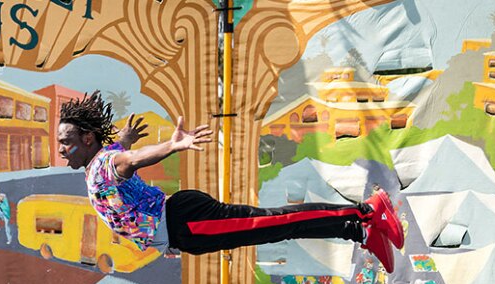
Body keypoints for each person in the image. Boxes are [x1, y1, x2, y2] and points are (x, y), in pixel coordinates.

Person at [57, 93, 403, 272]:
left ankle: (364, 214)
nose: (62, 150)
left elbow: (130, 161)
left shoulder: (103, 165)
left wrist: (170, 146)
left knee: (278, 222)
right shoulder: (100, 162)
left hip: (185, 221)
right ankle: (361, 231)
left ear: (88, 139)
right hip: (184, 230)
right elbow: (124, 154)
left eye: (66, 141)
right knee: (274, 227)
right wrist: (126, 138)